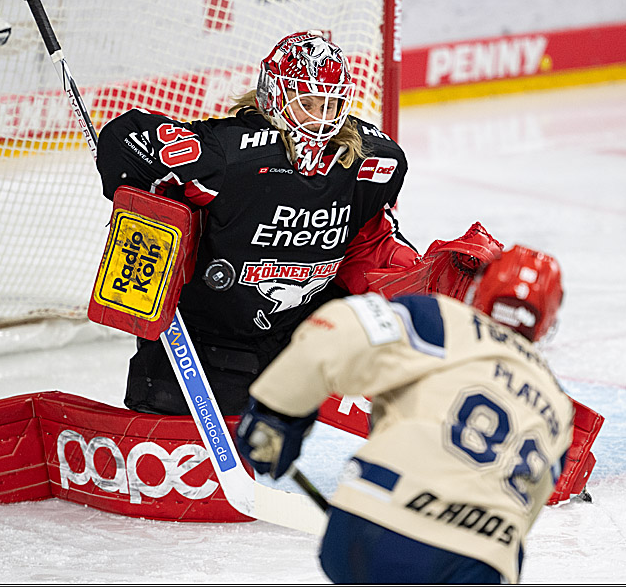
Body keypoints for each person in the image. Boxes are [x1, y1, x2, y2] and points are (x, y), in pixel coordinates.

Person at [95, 30, 420, 416]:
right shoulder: (227, 157)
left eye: (332, 106)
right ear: (276, 98)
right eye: (309, 104)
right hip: (200, 349)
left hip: (298, 347)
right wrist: (152, 200)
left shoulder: (365, 164)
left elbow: (368, 243)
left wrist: (413, 285)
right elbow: (122, 139)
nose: (321, 120)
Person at [235, 244, 574, 585]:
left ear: (481, 288)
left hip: (378, 520)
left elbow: (337, 329)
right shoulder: (559, 404)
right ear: (546, 320)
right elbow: (529, 506)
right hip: (481, 556)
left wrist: (276, 413)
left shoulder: (442, 321)